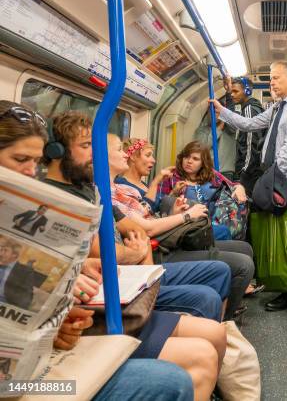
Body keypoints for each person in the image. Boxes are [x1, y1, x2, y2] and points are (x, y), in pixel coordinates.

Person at [0, 101, 197, 400]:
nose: (30, 173)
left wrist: (57, 328)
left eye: (36, 162)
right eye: (20, 159)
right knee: (172, 380)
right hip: (16, 385)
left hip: (26, 367)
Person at [41, 111, 245, 321]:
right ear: (57, 151)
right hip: (119, 276)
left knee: (220, 269)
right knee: (208, 296)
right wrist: (138, 255)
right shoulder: (61, 198)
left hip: (136, 265)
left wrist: (144, 264)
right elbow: (107, 249)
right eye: (86, 146)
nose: (94, 153)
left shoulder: (91, 190)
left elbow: (138, 231)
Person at [210, 60, 287, 311]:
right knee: (275, 232)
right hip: (274, 173)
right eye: (270, 78)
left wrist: (273, 181)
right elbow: (250, 124)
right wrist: (223, 111)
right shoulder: (277, 107)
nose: (271, 82)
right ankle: (279, 281)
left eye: (276, 78)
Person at [154, 140, 248, 240]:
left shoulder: (212, 175)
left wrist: (240, 188)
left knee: (234, 239)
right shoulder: (171, 177)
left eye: (195, 159)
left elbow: (233, 185)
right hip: (184, 225)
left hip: (210, 223)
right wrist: (174, 193)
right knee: (223, 232)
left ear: (203, 163)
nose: (189, 161)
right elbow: (158, 207)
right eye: (186, 157)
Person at [225, 75, 266, 195]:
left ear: (247, 91)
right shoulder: (248, 109)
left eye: (235, 91)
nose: (232, 94)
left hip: (250, 173)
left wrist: (243, 175)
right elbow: (233, 118)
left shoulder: (249, 110)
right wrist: (228, 93)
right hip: (253, 171)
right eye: (231, 92)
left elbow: (251, 145)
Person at [195, 91, 237, 180]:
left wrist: (223, 120)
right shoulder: (202, 130)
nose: (213, 114)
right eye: (210, 112)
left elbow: (233, 117)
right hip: (208, 171)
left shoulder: (230, 129)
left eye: (216, 112)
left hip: (226, 173)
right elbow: (202, 147)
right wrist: (218, 128)